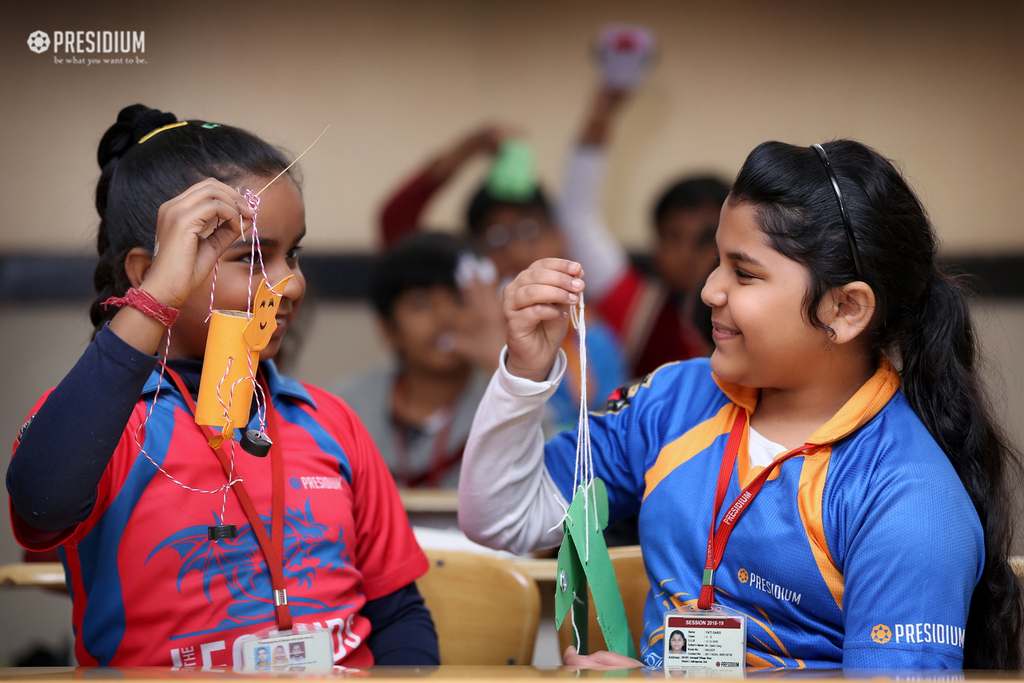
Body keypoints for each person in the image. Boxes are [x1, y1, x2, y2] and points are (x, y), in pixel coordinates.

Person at [458, 139, 1024, 669]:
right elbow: (503, 517)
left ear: (845, 310)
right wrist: (525, 371)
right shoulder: (674, 401)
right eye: (718, 261)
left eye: (745, 273)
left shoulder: (907, 495)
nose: (709, 290)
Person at [6, 105, 439, 668]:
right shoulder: (112, 424)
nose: (288, 283)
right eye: (250, 258)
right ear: (148, 271)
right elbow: (41, 502)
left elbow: (398, 611)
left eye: (293, 253)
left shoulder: (329, 422)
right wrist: (155, 299)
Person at [379, 128, 627, 433]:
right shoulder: (463, 323)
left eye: (529, 230)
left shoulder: (593, 340)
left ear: (559, 238)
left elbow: (609, 440)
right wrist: (469, 147)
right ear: (474, 253)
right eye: (496, 237)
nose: (516, 249)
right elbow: (396, 223)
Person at [558, 28, 728, 378]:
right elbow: (576, 215)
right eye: (674, 237)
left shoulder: (759, 305)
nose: (689, 253)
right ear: (655, 248)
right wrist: (602, 110)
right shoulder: (637, 304)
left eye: (704, 238)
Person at [334, 233, 503, 487]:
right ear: (388, 330)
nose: (446, 317)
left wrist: (502, 364)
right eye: (421, 303)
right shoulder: (347, 409)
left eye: (459, 299)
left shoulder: (506, 400)